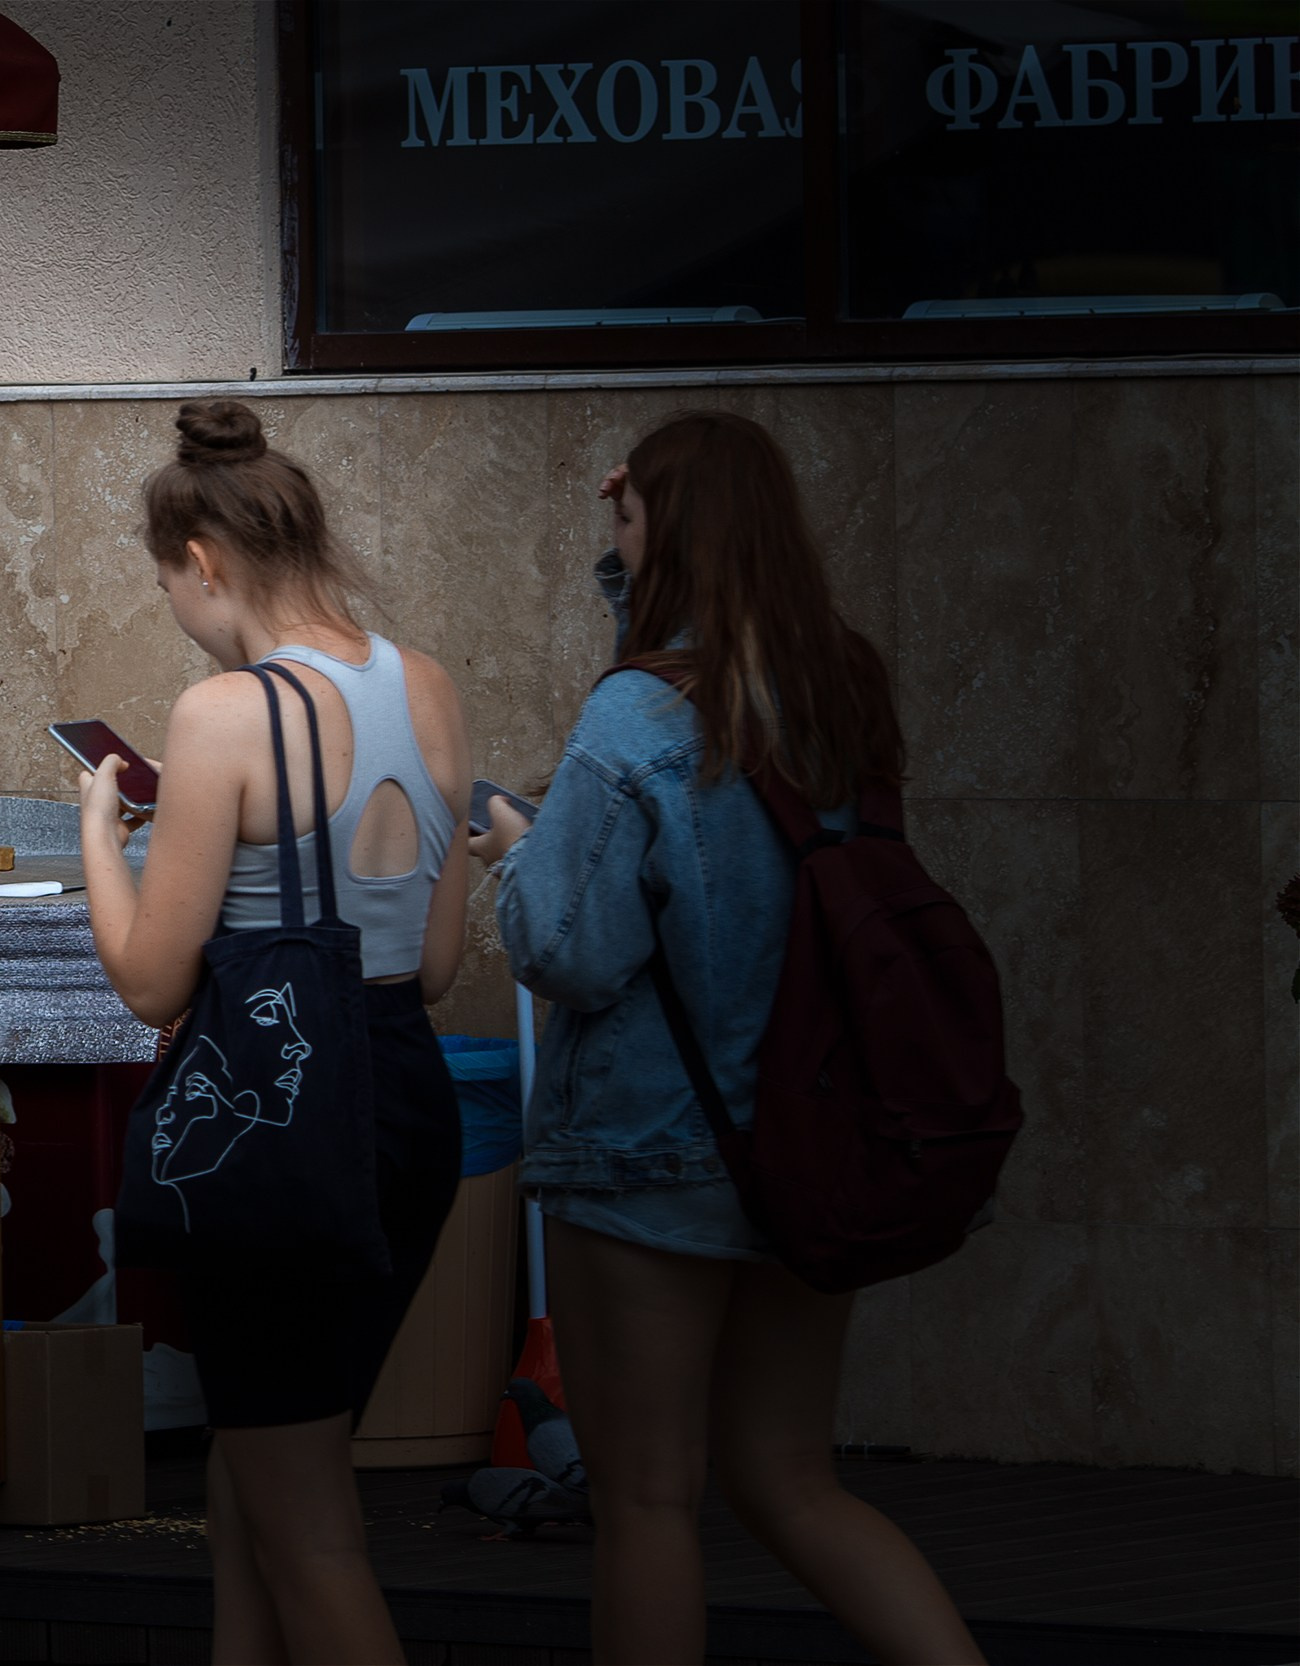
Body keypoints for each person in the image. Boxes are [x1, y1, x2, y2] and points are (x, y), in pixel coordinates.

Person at [468, 411, 981, 1666]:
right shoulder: (837, 687)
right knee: (792, 1480)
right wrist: (631, 543)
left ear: (669, 532)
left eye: (627, 519)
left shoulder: (631, 720)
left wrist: (522, 850)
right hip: (809, 1136)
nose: (616, 532)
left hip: (648, 1156)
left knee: (644, 1499)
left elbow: (569, 949)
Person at [76, 400, 475, 1665]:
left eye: (166, 587)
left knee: (309, 1528)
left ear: (204, 563)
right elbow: (444, 961)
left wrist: (100, 834)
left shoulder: (225, 717)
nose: (178, 613)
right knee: (258, 1475)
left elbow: (150, 983)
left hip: (278, 1117)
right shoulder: (426, 685)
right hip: (406, 1097)